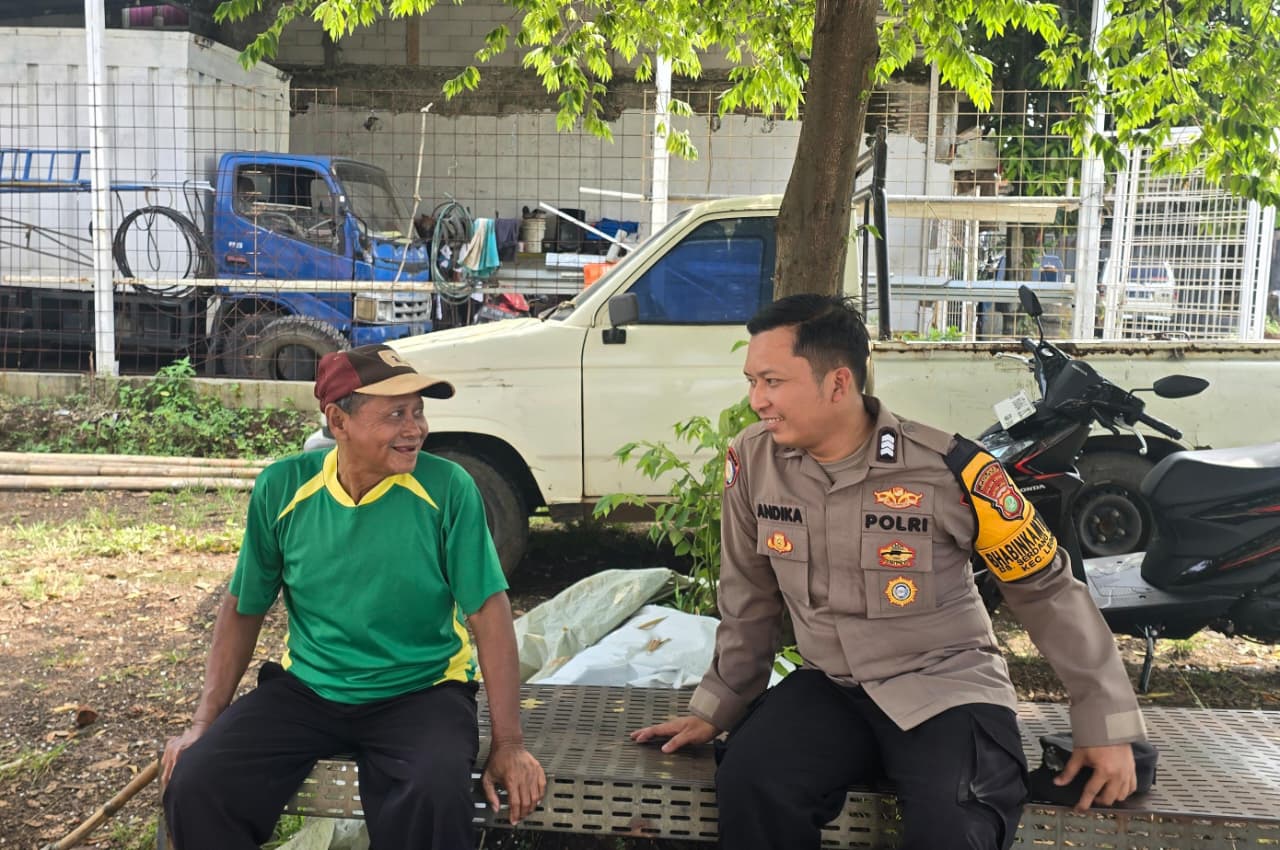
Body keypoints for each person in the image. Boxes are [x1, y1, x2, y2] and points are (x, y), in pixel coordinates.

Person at [632, 294, 1145, 850]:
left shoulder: (950, 470)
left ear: (838, 383)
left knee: (956, 821)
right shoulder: (754, 461)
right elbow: (748, 594)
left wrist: (1106, 724)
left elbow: (1046, 591)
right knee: (752, 782)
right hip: (832, 688)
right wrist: (717, 707)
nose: (757, 400)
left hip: (945, 688)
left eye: (772, 382)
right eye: (752, 381)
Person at [162, 343, 545, 850]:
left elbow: (488, 611)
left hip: (422, 690)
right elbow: (243, 607)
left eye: (418, 412)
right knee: (197, 785)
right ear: (338, 421)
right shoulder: (283, 489)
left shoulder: (448, 488)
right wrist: (203, 724)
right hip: (310, 689)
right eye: (395, 415)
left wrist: (509, 743)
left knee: (432, 795)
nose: (415, 429)